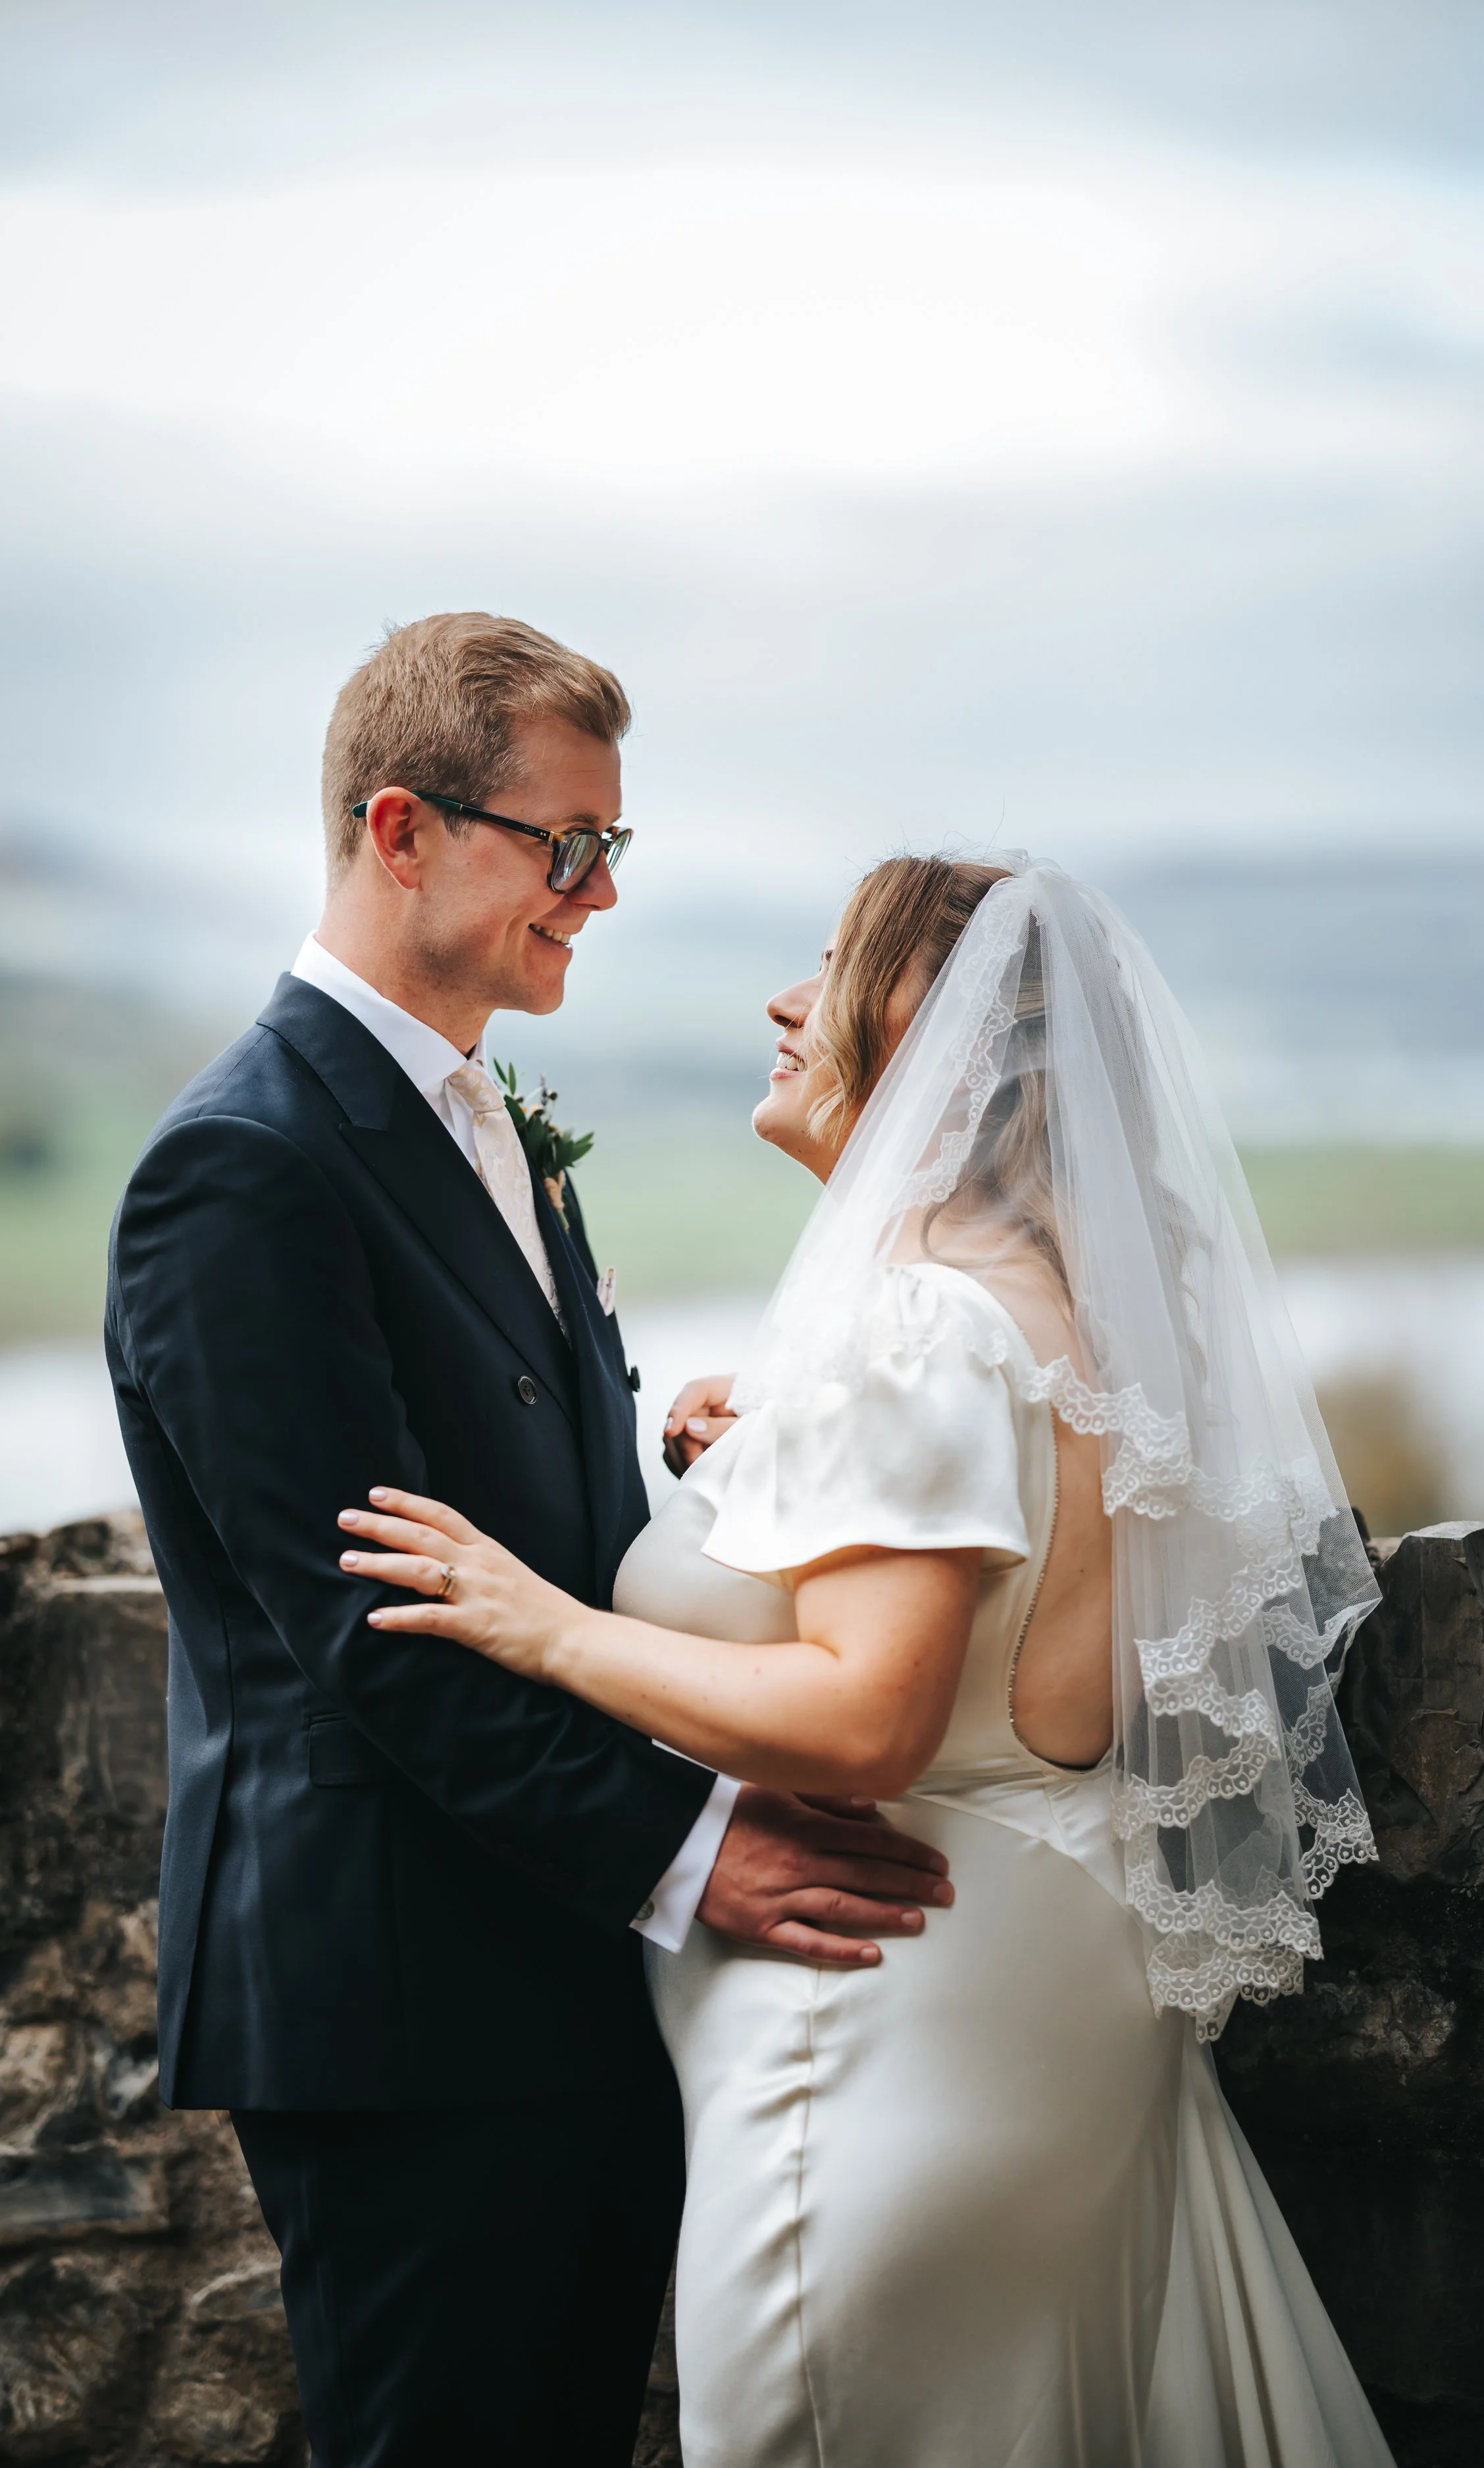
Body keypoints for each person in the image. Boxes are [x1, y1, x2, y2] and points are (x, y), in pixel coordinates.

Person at [343, 852, 1401, 2467]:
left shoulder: (920, 1323)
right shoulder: (1065, 1310)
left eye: (832, 963)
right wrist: (772, 1454)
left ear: (944, 1040)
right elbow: (999, 1606)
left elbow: (868, 1717)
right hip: (1034, 1992)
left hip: (877, 2034)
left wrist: (546, 1626)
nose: (784, 1001)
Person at [104, 614, 953, 2468]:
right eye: (564, 846)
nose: (599, 893)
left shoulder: (493, 1129)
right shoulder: (242, 1165)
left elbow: (527, 1532)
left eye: (612, 850)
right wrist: (692, 1845)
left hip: (540, 1960)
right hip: (404, 1997)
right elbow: (369, 1621)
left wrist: (714, 1470)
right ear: (401, 829)